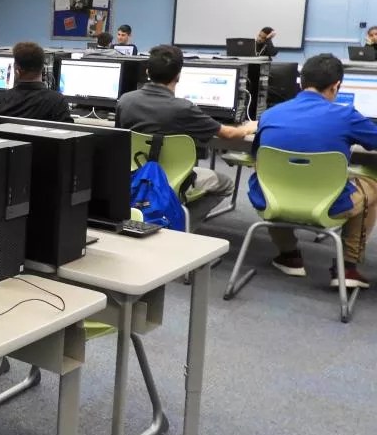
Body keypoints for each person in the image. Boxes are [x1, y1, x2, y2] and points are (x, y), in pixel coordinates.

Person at [248, 53, 377, 287]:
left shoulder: (270, 114)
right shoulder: (346, 115)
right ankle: (347, 268)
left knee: (270, 180)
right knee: (372, 186)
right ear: (336, 86)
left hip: (274, 202)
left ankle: (289, 255)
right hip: (327, 204)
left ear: (301, 81)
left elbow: (257, 156)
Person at [116, 45, 256, 196]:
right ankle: (179, 216)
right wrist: (248, 128)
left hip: (134, 175)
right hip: (174, 178)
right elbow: (228, 134)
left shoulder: (125, 101)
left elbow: (118, 137)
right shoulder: (184, 109)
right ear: (178, 75)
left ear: (147, 72)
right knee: (226, 183)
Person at [0, 41, 72, 123]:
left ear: (17, 70)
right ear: (43, 69)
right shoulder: (57, 101)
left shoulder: (4, 98)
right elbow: (69, 131)